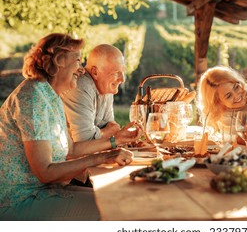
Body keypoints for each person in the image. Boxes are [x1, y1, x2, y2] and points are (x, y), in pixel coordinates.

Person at [0, 33, 141, 220]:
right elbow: (45, 172)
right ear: (60, 62)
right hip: (19, 200)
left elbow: (73, 149)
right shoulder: (34, 98)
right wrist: (103, 157)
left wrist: (116, 141)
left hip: (45, 191)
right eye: (78, 61)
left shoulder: (51, 95)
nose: (82, 70)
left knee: (124, 198)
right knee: (118, 210)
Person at [62, 44, 126, 142]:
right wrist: (108, 132)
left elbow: (111, 126)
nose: (122, 79)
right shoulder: (80, 86)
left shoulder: (105, 87)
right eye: (116, 73)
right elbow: (84, 141)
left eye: (123, 72)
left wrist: (105, 132)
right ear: (95, 72)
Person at [196, 66, 247, 137]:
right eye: (229, 96)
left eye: (236, 87)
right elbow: (243, 140)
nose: (236, 95)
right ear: (218, 102)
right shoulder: (225, 117)